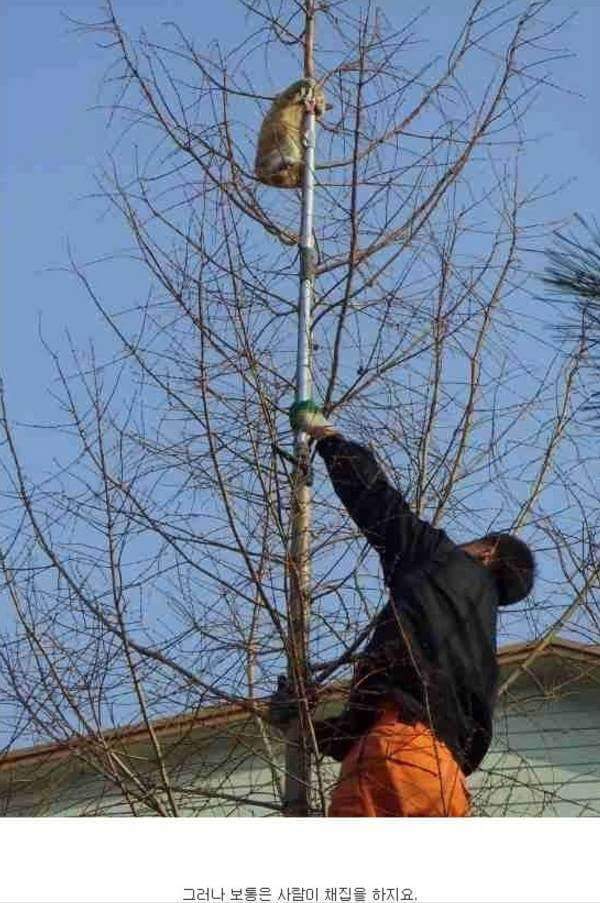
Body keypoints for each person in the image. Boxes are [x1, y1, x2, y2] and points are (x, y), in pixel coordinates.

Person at [287, 399, 536, 818]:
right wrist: (308, 730)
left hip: (396, 761)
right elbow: (398, 710)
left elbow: (380, 505)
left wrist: (328, 438)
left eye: (473, 542)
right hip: (446, 785)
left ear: (489, 552)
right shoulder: (482, 658)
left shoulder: (442, 563)